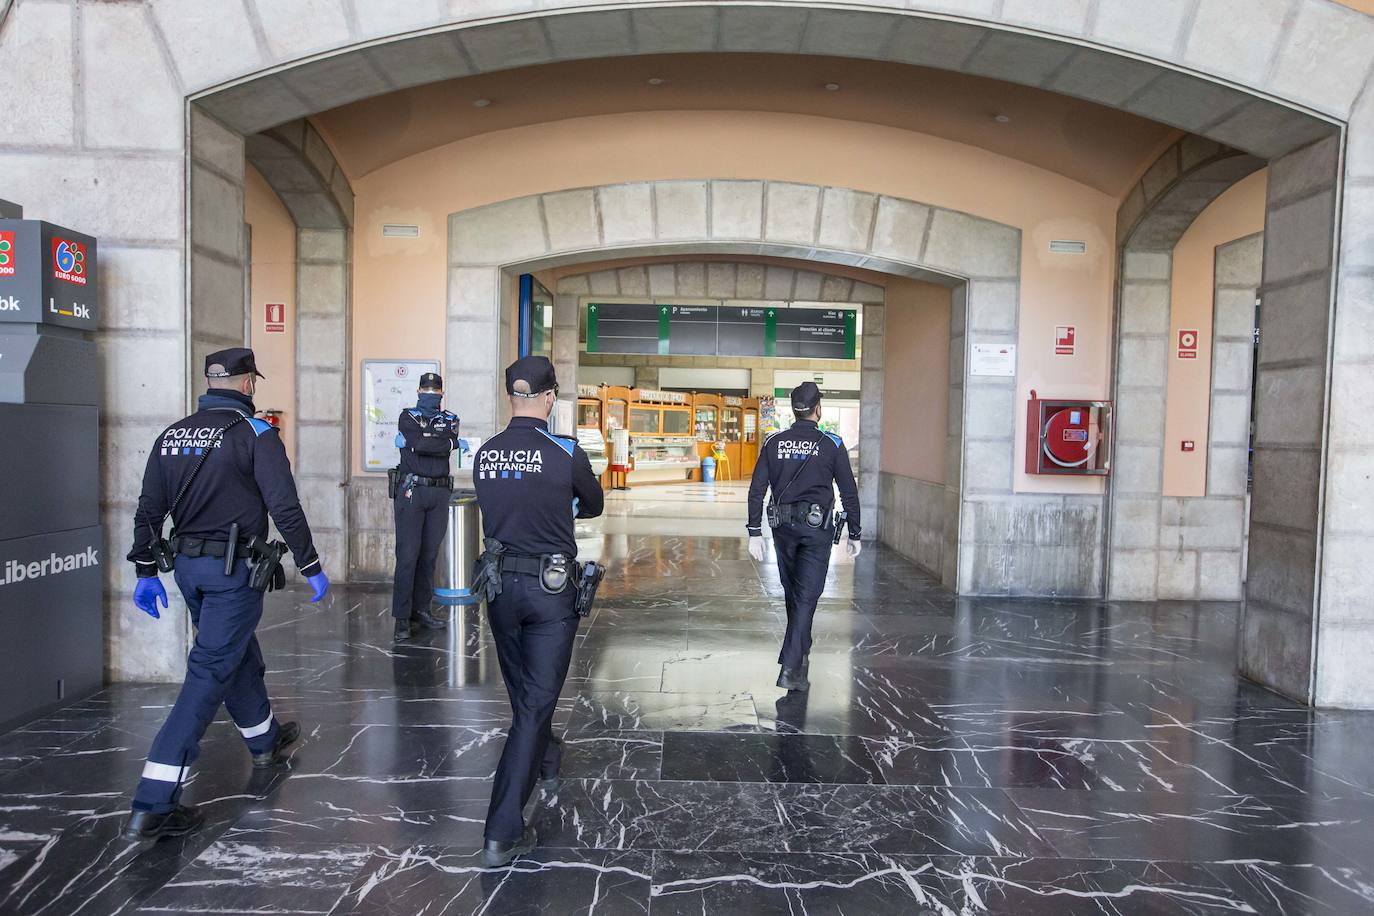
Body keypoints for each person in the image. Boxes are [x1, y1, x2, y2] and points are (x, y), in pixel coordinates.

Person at [121, 347, 329, 848]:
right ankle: (154, 800)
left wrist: (146, 569)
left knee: (233, 653)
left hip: (188, 570)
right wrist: (312, 566)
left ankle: (264, 739)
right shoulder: (255, 434)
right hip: (234, 571)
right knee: (209, 671)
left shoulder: (172, 435)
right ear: (248, 384)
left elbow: (149, 509)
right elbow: (285, 506)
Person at [472, 356, 604, 867]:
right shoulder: (564, 450)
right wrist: (562, 504)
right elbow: (592, 504)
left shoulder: (485, 453)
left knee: (526, 693)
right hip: (550, 593)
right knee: (532, 705)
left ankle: (546, 756)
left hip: (500, 589)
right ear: (550, 398)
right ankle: (502, 829)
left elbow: (503, 506)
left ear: (512, 397)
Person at [747, 381, 861, 692]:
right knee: (807, 595)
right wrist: (856, 532)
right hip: (816, 531)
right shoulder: (831, 444)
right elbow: (849, 492)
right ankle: (791, 667)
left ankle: (802, 648)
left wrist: (754, 530)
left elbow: (757, 490)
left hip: (782, 530)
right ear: (817, 409)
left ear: (794, 409)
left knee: (795, 593)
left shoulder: (774, 442)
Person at [391, 371, 460, 643]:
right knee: (408, 556)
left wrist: (430, 441)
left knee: (429, 556)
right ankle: (401, 618)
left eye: (435, 390)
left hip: (439, 492)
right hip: (412, 491)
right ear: (419, 391)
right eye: (426, 389)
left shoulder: (451, 419)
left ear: (442, 393)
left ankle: (421, 609)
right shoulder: (407, 416)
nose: (431, 394)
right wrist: (441, 442)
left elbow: (430, 444)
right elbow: (424, 443)